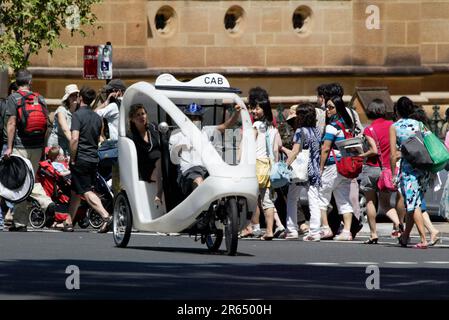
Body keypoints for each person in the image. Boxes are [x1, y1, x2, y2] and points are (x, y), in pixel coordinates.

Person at [3, 70, 53, 231]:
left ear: (17, 83)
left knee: (21, 182)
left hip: (19, 146)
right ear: (30, 82)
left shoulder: (13, 98)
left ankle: (46, 202)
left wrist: (9, 147)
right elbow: (48, 125)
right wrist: (43, 146)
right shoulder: (40, 98)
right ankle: (19, 222)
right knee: (25, 181)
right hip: (37, 147)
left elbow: (11, 124)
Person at [65, 86, 111, 233]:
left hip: (81, 158)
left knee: (85, 190)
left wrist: (72, 158)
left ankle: (105, 216)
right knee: (75, 190)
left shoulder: (77, 116)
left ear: (80, 98)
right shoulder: (97, 118)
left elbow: (74, 140)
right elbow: (99, 138)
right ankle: (68, 221)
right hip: (93, 158)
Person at [169, 102, 241, 196]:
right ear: (185, 119)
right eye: (190, 117)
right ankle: (202, 206)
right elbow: (174, 158)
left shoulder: (206, 131)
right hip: (188, 171)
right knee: (199, 180)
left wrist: (237, 113)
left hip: (208, 170)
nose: (193, 120)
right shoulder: (176, 134)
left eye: (196, 117)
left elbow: (226, 126)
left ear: (201, 119)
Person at [358, 99, 402, 244]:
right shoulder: (392, 125)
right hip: (388, 169)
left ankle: (373, 233)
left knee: (370, 201)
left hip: (372, 167)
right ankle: (398, 223)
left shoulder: (369, 129)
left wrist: (361, 155)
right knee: (385, 203)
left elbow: (373, 150)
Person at [390, 96, 430, 248]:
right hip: (423, 167)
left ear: (397, 111)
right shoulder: (419, 124)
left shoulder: (394, 127)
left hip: (409, 169)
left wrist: (394, 173)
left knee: (414, 204)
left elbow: (393, 154)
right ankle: (405, 237)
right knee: (414, 203)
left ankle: (423, 239)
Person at [318, 95, 356, 241]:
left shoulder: (332, 127)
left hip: (332, 166)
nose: (327, 110)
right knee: (344, 200)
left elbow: (325, 148)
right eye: (326, 107)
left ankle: (325, 228)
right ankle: (347, 232)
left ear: (338, 109)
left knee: (322, 196)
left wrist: (321, 167)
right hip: (345, 166)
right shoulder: (347, 126)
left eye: (331, 107)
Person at [282, 103, 321, 240]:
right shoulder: (316, 131)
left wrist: (285, 165)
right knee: (314, 199)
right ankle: (315, 231)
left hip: (301, 170)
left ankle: (291, 229)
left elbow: (295, 151)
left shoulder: (300, 131)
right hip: (314, 168)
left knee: (292, 198)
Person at [127, 103, 163, 206]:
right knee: (159, 162)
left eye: (143, 113)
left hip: (161, 164)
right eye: (137, 115)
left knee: (160, 160)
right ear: (132, 119)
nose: (141, 117)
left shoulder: (153, 127)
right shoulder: (131, 136)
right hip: (146, 168)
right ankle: (159, 193)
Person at [47, 84, 79, 156]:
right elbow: (65, 130)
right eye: (71, 95)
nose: (74, 97)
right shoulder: (61, 110)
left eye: (76, 95)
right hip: (57, 146)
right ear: (67, 98)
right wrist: (75, 144)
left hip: (69, 145)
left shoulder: (78, 111)